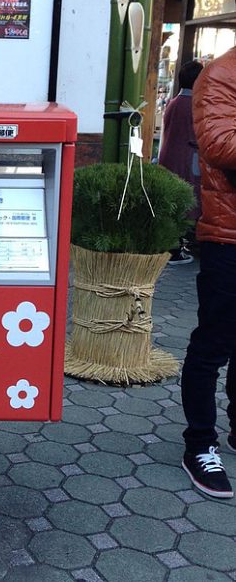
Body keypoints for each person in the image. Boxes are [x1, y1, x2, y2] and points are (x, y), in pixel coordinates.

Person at [181, 45, 236, 499]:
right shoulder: (220, 74)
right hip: (228, 236)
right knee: (213, 344)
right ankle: (200, 443)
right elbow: (219, 143)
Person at [158, 60, 204, 264]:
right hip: (188, 160)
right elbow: (198, 136)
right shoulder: (195, 105)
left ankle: (173, 246)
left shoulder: (174, 102)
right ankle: (175, 250)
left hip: (170, 156)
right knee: (187, 203)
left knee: (172, 202)